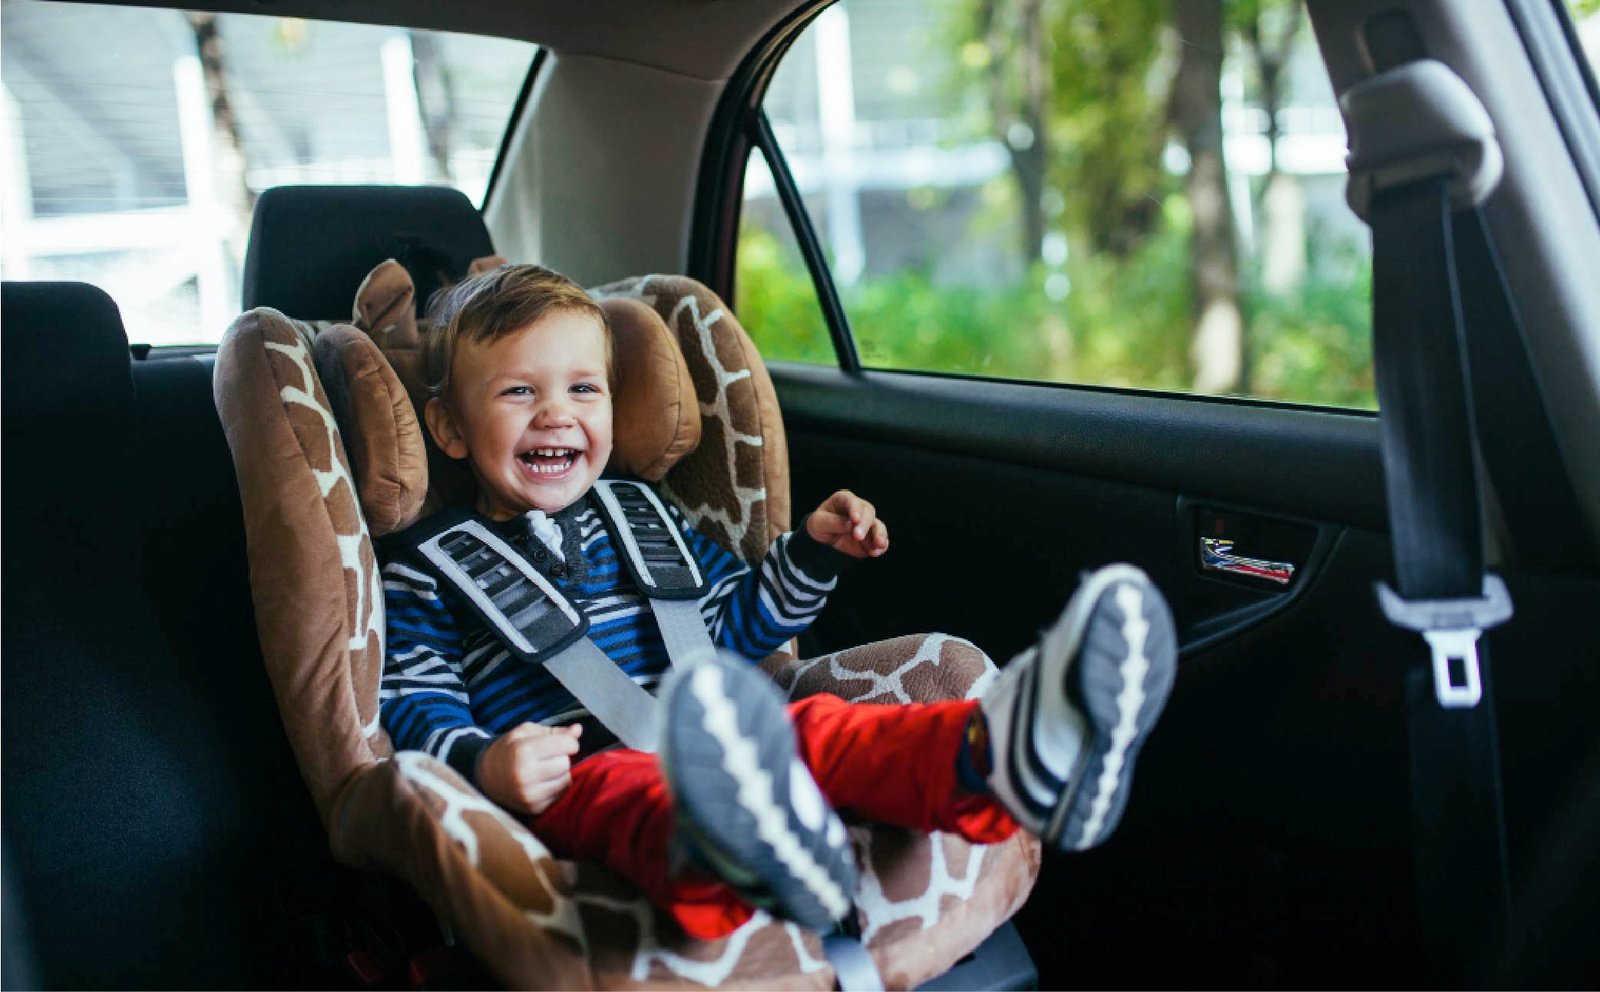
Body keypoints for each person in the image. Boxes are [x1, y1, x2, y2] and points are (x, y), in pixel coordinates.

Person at [379, 263, 1178, 940]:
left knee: (825, 729)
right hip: (579, 780)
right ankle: (743, 852)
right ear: (450, 428)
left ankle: (1007, 758)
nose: (557, 413)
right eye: (520, 391)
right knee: (640, 797)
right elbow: (413, 704)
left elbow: (734, 626)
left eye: (583, 388)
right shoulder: (429, 570)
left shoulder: (642, 514)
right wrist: (488, 762)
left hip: (729, 739)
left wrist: (812, 554)